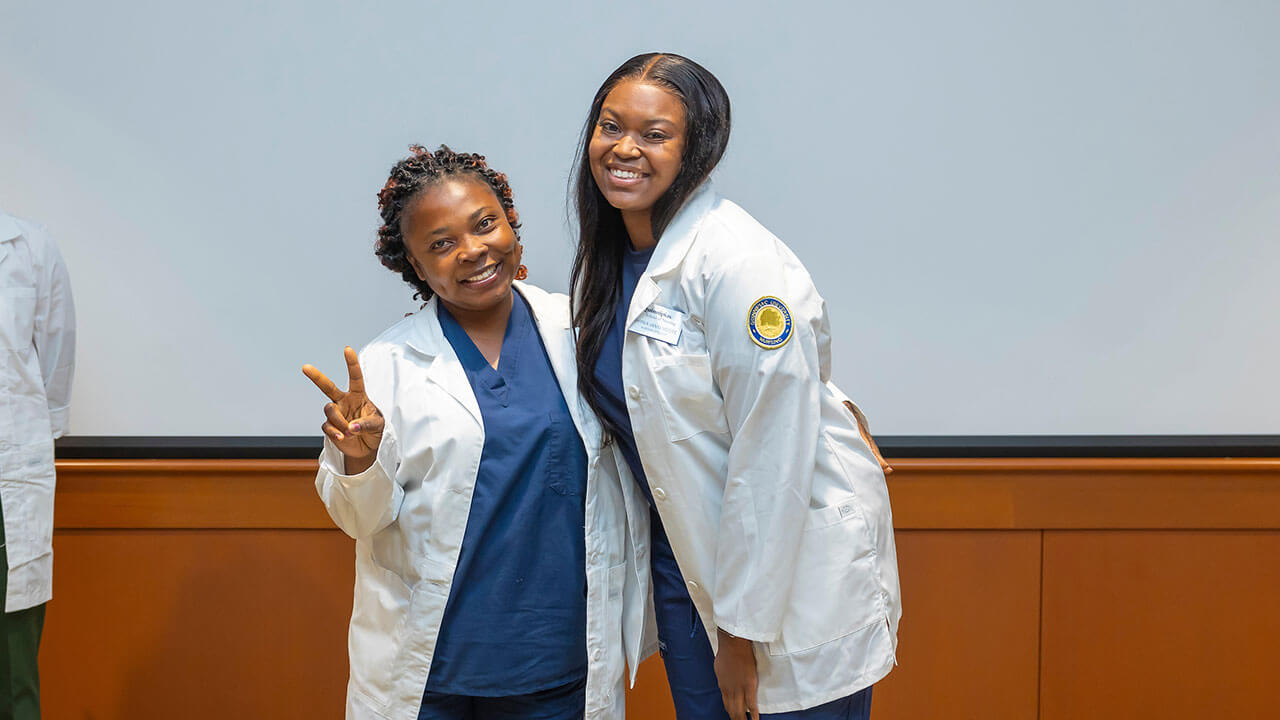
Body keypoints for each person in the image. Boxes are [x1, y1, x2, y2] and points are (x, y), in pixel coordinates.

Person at [568, 53, 901, 720]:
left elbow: (771, 454)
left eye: (655, 135)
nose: (624, 149)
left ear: (699, 150)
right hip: (688, 571)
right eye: (611, 126)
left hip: (780, 587)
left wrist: (742, 635)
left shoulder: (737, 262)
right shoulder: (610, 263)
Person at [303, 146, 648, 720]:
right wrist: (362, 462)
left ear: (511, 224)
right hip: (434, 672)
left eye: (485, 224)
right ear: (414, 265)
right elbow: (359, 520)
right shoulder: (388, 362)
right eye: (440, 244)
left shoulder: (582, 331)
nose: (472, 250)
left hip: (559, 661)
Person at [0, 209, 76, 720]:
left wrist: (22, 443)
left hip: (9, 482)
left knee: (15, 669)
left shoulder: (30, 247)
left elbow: (55, 363)